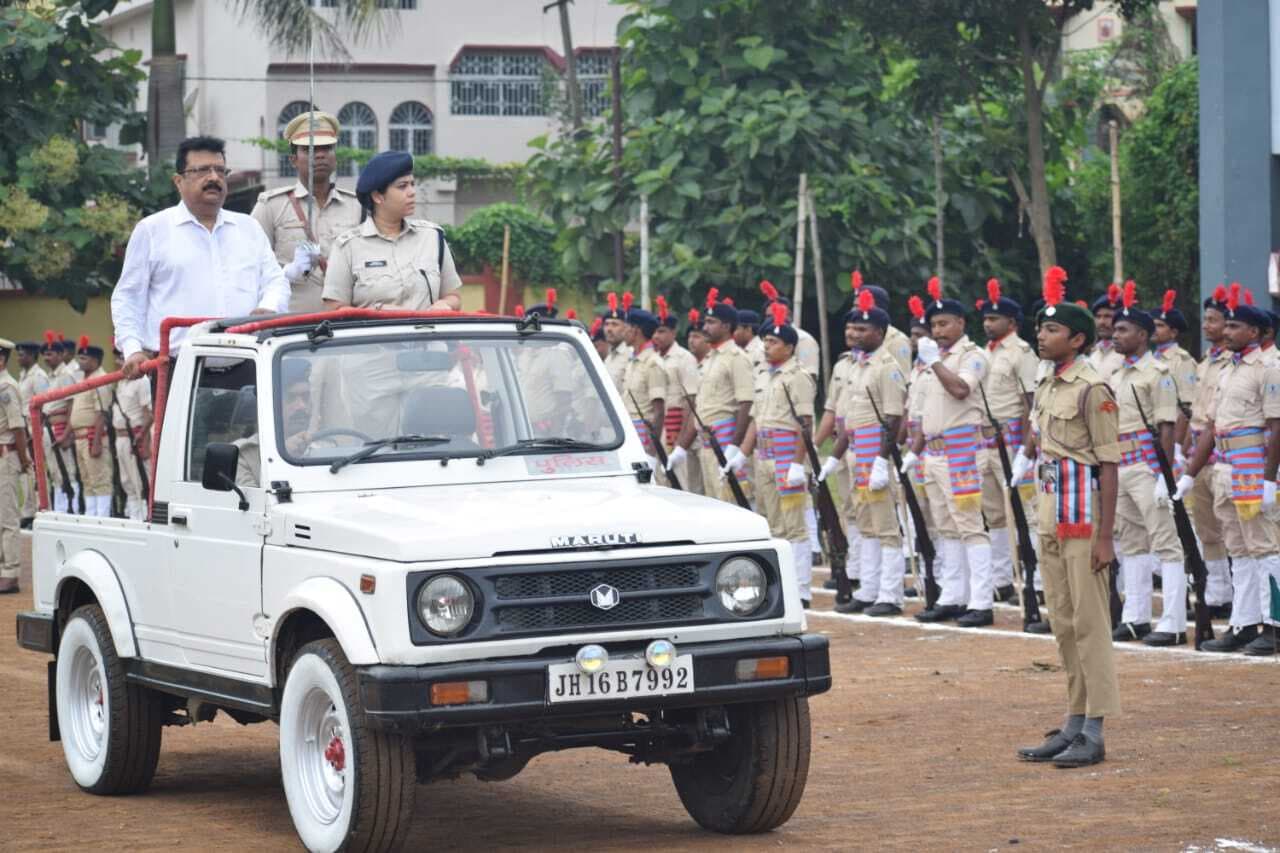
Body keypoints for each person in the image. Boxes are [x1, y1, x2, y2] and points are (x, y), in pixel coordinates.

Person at [1016, 265, 1120, 769]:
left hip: (1084, 517)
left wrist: (1106, 538)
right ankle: (1074, 720)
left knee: (1090, 622)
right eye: (1041, 326)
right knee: (1062, 620)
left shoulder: (1092, 387)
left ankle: (1095, 729)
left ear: (1077, 339)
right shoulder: (1046, 383)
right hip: (1051, 512)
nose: (1042, 333)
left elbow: (1109, 463)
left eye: (1052, 329)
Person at [114, 136, 290, 379]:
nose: (214, 178)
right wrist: (132, 349)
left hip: (248, 363)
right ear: (178, 181)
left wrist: (268, 308)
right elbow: (128, 296)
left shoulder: (248, 228)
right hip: (177, 370)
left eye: (220, 170)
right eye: (202, 171)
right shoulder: (152, 230)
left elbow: (276, 281)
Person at [1175, 284, 1280, 655]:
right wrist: (1190, 472)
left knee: (1265, 548)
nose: (1227, 331)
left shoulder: (1269, 368)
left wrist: (1269, 480)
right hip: (1225, 467)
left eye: (1235, 327)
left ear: (1256, 332)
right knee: (1239, 549)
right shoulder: (1225, 369)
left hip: (1253, 467)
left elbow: (1276, 425)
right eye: (1228, 326)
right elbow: (1212, 425)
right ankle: (1245, 621)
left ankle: (1274, 625)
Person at [905, 279, 993, 626]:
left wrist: (935, 363)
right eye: (934, 325)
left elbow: (959, 390)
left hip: (962, 450)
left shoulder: (972, 356)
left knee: (970, 525)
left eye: (944, 324)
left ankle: (982, 601)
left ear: (961, 324)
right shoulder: (931, 360)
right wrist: (915, 450)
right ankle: (953, 596)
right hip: (934, 451)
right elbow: (923, 411)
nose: (938, 331)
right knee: (945, 526)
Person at [1106, 286, 1186, 647]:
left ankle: (1173, 622)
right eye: (1116, 329)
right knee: (1132, 543)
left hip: (1145, 465)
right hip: (1120, 464)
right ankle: (1136, 617)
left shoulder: (1159, 372)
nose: (1116, 335)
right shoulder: (1116, 373)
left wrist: (1163, 476)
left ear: (1143, 335)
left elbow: (1167, 426)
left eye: (1124, 330)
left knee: (1166, 543)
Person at [821, 290, 906, 615]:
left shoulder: (887, 367)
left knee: (885, 526)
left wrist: (883, 460)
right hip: (857, 454)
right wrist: (833, 457)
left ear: (880, 334)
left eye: (862, 329)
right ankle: (869, 590)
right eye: (851, 328)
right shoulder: (855, 366)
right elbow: (849, 420)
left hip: (875, 455)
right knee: (867, 524)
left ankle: (890, 594)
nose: (853, 333)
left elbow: (893, 416)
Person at [739, 304, 815, 606]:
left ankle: (802, 587)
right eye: (765, 342)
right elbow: (756, 421)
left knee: (794, 525)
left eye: (773, 343)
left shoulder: (798, 376)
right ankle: (785, 584)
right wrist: (741, 454)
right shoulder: (764, 375)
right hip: (765, 457)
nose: (766, 347)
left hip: (786, 458)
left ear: (790, 347)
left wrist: (798, 462)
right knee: (775, 525)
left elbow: (804, 424)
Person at [322, 150, 462, 312]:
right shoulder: (348, 246)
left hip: (428, 335)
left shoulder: (432, 237)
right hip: (376, 336)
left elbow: (454, 296)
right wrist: (377, 312)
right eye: (402, 186)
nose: (412, 192)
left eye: (412, 184)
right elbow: (334, 307)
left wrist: (445, 304)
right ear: (378, 197)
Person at [251, 110, 361, 312]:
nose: (319, 154)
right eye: (309, 149)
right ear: (293, 159)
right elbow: (250, 269)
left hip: (344, 324)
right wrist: (288, 272)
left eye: (326, 148)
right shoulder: (271, 207)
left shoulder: (357, 206)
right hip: (291, 325)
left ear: (335, 156)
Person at [977, 279, 1039, 607]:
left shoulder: (1021, 353)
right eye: (985, 318)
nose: (987, 323)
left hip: (1013, 439)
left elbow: (1032, 404)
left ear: (1011, 323)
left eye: (994, 319)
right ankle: (1002, 578)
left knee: (1027, 511)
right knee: (994, 514)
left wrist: (1027, 452)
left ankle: (1037, 578)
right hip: (984, 441)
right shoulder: (981, 353)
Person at [668, 291, 754, 505]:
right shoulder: (708, 359)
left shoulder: (737, 358)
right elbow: (698, 408)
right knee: (714, 502)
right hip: (706, 441)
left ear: (726, 326)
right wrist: (680, 448)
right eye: (705, 322)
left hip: (725, 439)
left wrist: (735, 447)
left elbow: (747, 404)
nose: (705, 327)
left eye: (711, 322)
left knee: (730, 501)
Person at [1184, 287, 1235, 616]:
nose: (1207, 325)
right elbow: (1193, 412)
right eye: (1205, 319)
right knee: (1206, 527)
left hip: (1222, 454)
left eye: (1214, 320)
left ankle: (1237, 594)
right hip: (1198, 453)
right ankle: (1218, 593)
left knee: (1232, 527)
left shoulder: (1233, 364)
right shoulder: (1206, 363)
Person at [237, 359, 314, 487]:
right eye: (291, 398)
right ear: (270, 405)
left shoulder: (325, 448)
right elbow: (258, 505)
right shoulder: (244, 455)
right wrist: (283, 455)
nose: (301, 406)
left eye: (306, 397)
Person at [653, 297, 701, 494]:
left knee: (679, 480)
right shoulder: (653, 358)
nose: (657, 336)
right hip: (659, 425)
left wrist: (683, 440)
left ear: (673, 332)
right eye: (655, 331)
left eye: (662, 331)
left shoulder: (684, 358)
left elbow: (691, 400)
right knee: (659, 477)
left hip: (676, 423)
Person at [65, 338, 113, 517]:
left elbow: (102, 413)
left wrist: (97, 442)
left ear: (95, 361)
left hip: (92, 436)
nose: (80, 361)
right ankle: (91, 516)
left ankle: (102, 517)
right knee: (87, 480)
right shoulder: (84, 379)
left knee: (100, 479)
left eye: (84, 359)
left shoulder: (100, 378)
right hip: (80, 437)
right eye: (80, 358)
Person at [0, 337, 32, 594]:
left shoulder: (7, 388)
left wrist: (23, 460)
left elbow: (18, 428)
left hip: (6, 456)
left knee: (8, 517)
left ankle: (10, 573)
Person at [621, 307, 668, 474]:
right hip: (631, 434)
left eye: (626, 327)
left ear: (636, 330)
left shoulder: (652, 363)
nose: (623, 331)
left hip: (645, 437)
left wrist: (651, 452)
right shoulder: (634, 361)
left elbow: (659, 411)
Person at [110, 344, 153, 521]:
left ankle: (144, 518)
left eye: (122, 357)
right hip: (120, 437)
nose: (119, 361)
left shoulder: (141, 381)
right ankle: (134, 518)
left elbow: (148, 414)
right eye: (117, 357)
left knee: (140, 482)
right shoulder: (122, 381)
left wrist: (142, 436)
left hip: (134, 436)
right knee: (126, 481)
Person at [42, 333, 79, 512]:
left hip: (60, 426)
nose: (46, 358)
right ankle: (59, 511)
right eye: (45, 354)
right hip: (49, 427)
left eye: (50, 354)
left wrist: (66, 434)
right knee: (55, 472)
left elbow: (72, 406)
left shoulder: (66, 375)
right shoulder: (51, 376)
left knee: (67, 471)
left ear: (59, 354)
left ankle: (70, 510)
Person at [15, 340, 48, 528]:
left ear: (33, 356)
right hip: (23, 426)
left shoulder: (39, 376)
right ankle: (28, 512)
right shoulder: (23, 376)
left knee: (37, 471)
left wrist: (35, 432)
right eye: (18, 354)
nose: (20, 357)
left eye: (23, 354)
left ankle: (39, 510)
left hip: (34, 426)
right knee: (26, 472)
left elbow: (43, 407)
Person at [1086, 284, 1125, 383]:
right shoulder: (1094, 353)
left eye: (1107, 316)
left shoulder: (1127, 354)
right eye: (1098, 317)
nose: (1101, 322)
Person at [599, 293, 633, 392]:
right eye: (606, 324)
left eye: (615, 324)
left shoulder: (630, 355)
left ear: (625, 328)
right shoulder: (609, 357)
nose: (609, 329)